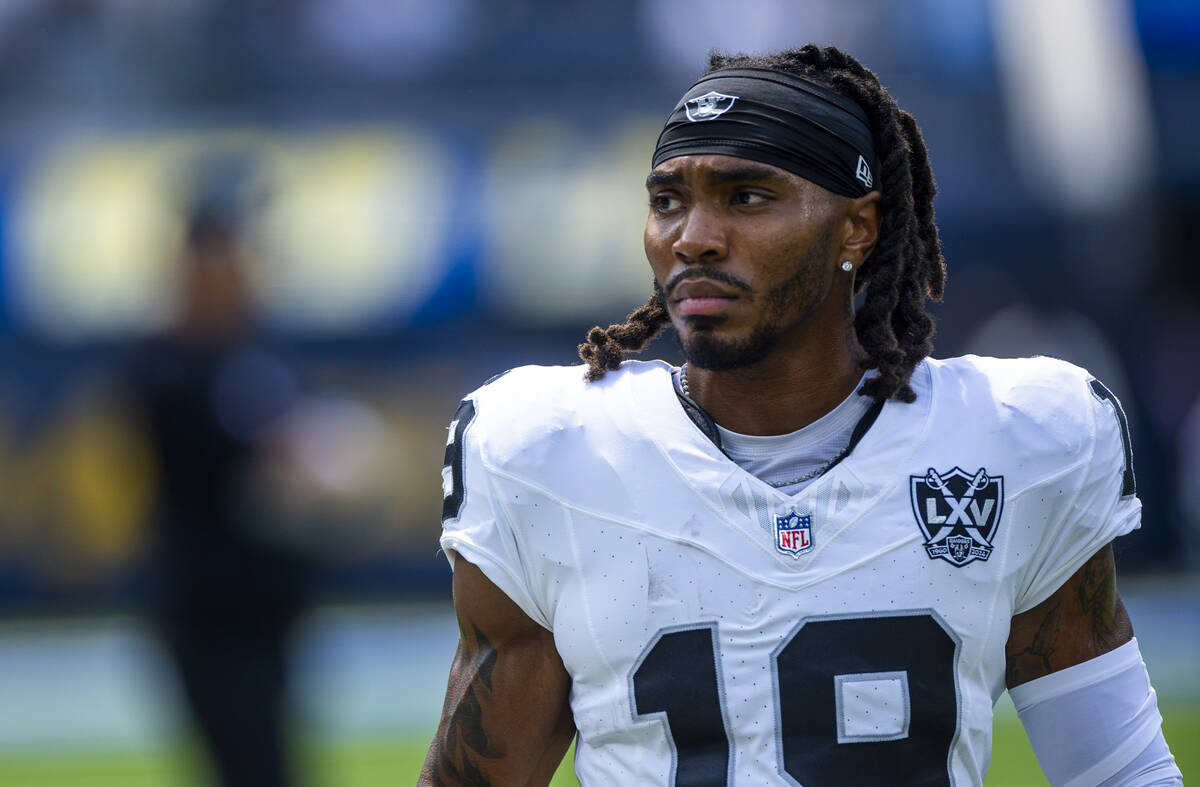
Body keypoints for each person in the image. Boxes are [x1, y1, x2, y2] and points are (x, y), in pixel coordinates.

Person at [421, 45, 1182, 786]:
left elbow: (1119, 768)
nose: (694, 238)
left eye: (747, 197)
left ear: (859, 226)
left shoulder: (1019, 438)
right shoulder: (547, 452)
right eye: (667, 200)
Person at [127, 204, 310, 787]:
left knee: (276, 764)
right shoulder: (167, 365)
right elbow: (229, 457)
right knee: (248, 766)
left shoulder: (261, 351)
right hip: (205, 609)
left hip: (271, 605)